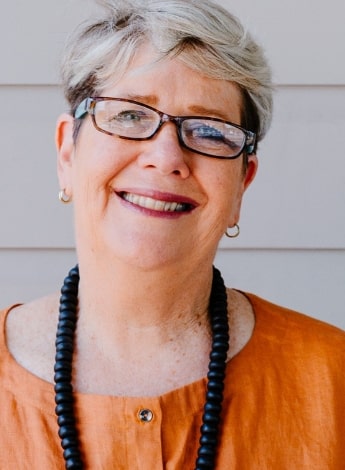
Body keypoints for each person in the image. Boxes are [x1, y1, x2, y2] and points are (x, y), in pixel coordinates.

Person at [1, 0, 344, 468]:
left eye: (209, 131)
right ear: (67, 153)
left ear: (242, 183)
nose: (166, 158)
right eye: (128, 115)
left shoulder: (334, 377)